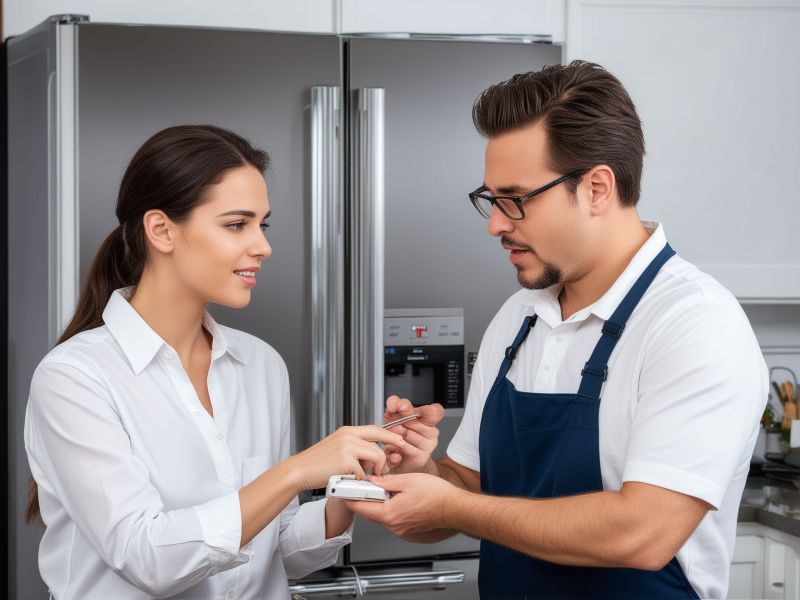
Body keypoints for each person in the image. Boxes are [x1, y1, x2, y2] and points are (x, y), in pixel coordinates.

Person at [349, 61, 768, 599]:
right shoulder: (518, 318)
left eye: (515, 199)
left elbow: (643, 532)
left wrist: (452, 504)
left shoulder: (694, 323)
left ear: (596, 189)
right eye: (490, 199)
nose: (496, 223)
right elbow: (470, 490)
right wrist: (424, 475)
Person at [23, 125, 420, 599]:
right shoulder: (75, 378)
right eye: (237, 224)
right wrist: (295, 470)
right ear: (162, 230)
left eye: (262, 224)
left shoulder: (262, 365)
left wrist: (351, 484)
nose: (263, 246)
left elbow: (275, 547)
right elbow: (146, 557)